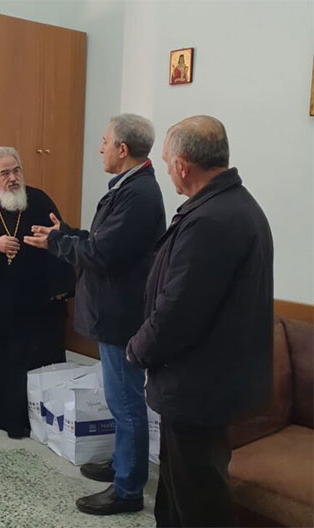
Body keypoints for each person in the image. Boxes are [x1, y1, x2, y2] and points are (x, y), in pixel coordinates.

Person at [126, 116, 273, 527]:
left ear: (183, 165)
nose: (167, 169)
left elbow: (178, 311)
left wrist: (137, 349)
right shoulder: (232, 206)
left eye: (167, 161)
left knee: (198, 500)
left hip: (199, 387)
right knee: (178, 488)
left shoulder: (211, 220)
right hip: (206, 383)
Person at [25, 114, 165, 515]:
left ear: (122, 149)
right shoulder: (128, 187)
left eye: (105, 141)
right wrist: (66, 234)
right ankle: (122, 464)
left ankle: (127, 490)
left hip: (122, 315)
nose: (100, 148)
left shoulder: (139, 194)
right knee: (119, 399)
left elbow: (102, 255)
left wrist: (57, 243)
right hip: (115, 310)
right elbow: (105, 242)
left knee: (125, 403)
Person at [0, 146, 75, 439]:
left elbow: (61, 238)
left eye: (16, 170)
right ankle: (5, 417)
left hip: (40, 300)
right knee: (6, 361)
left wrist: (61, 287)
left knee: (41, 359)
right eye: (5, 173)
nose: (12, 178)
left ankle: (43, 421)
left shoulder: (40, 200)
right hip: (4, 302)